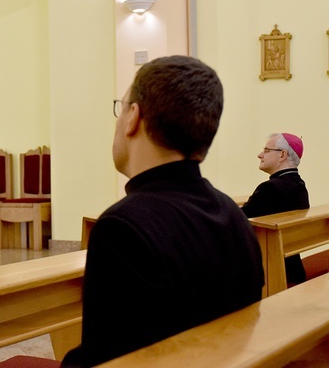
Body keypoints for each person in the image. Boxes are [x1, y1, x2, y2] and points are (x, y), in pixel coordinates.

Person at [61, 56, 264, 367]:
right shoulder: (232, 214)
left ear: (133, 117)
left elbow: (108, 360)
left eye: (121, 106)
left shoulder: (122, 228)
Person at [241, 133, 309, 285]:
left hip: (271, 273)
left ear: (282, 155)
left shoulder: (270, 188)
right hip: (293, 269)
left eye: (266, 150)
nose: (260, 155)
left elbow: (238, 222)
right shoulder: (299, 185)